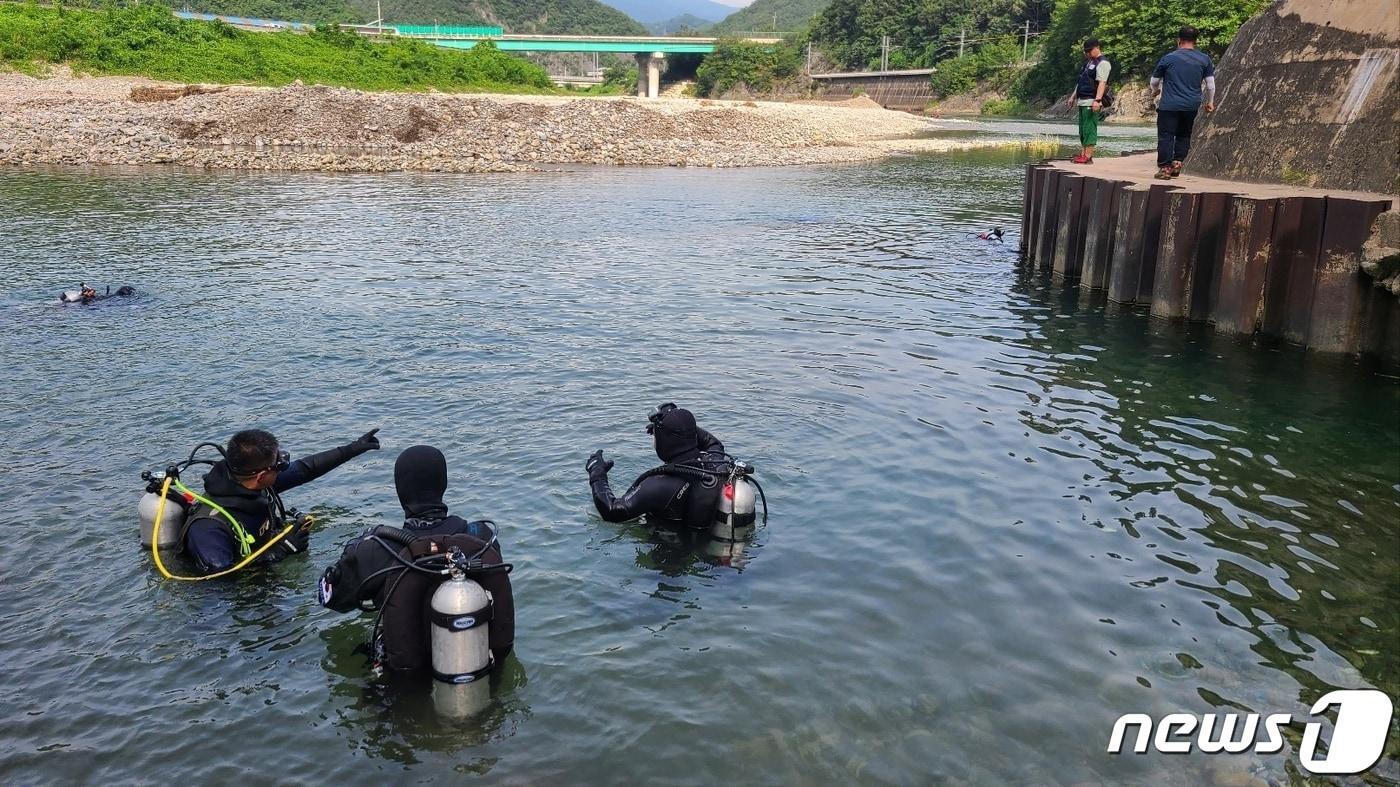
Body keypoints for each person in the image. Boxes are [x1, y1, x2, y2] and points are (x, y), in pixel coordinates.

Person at [317, 445, 514, 674]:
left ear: (400, 491)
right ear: (443, 484)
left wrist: (350, 553)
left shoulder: (373, 550)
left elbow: (332, 600)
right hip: (477, 667)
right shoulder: (481, 537)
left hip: (404, 679)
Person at [181, 427, 381, 573]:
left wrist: (353, 449)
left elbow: (304, 469)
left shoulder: (252, 483)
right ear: (260, 476)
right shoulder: (209, 529)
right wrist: (279, 552)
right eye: (278, 465)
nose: (283, 467)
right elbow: (220, 581)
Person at [587, 403, 729, 528]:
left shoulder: (658, 486)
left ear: (665, 442)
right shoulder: (714, 462)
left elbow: (612, 512)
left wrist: (597, 474)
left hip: (667, 554)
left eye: (656, 436)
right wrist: (680, 426)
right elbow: (713, 442)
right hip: (704, 543)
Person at [1150, 26, 1216, 179]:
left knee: (1166, 135)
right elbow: (1211, 85)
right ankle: (1177, 163)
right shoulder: (1204, 59)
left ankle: (1165, 168)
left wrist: (1155, 90)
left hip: (1169, 105)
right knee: (1184, 134)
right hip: (1191, 105)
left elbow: (1154, 81)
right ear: (1196, 41)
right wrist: (1210, 102)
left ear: (1178, 40)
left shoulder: (1168, 58)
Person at [1068, 38, 1111, 164]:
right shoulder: (1088, 63)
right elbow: (1081, 81)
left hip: (1092, 100)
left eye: (1089, 51)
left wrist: (1097, 100)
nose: (1087, 53)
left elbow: (1102, 83)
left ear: (1097, 48)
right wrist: (1073, 97)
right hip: (1082, 99)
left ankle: (1088, 155)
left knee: (1089, 128)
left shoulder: (1102, 63)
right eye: (1085, 51)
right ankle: (1083, 153)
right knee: (1082, 130)